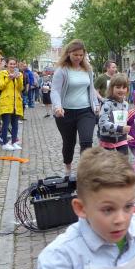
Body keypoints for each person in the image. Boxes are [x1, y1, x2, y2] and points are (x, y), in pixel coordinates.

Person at [51, 40, 101, 177]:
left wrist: (96, 104)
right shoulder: (62, 70)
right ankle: (68, 167)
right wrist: (57, 106)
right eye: (75, 55)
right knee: (69, 143)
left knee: (86, 141)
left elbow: (91, 88)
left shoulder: (88, 69)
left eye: (81, 55)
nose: (78, 57)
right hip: (65, 112)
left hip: (86, 111)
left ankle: (84, 171)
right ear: (68, 53)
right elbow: (55, 91)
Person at [98, 74, 131, 155]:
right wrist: (120, 128)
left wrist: (126, 133)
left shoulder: (126, 104)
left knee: (123, 160)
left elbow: (124, 121)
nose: (121, 90)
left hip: (122, 139)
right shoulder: (107, 104)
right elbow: (103, 123)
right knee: (109, 162)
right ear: (111, 88)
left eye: (124, 87)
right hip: (108, 139)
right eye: (118, 87)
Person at [0, 58, 24, 152]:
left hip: (16, 102)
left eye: (14, 64)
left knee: (15, 123)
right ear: (7, 65)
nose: (12, 66)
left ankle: (13, 142)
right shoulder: (2, 73)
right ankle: (4, 143)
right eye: (10, 64)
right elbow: (0, 86)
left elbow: (21, 88)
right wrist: (9, 79)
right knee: (6, 123)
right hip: (6, 101)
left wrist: (18, 78)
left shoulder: (19, 74)